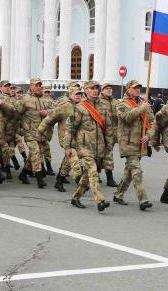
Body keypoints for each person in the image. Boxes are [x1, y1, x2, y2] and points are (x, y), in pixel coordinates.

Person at [65, 80, 113, 211]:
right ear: (86, 91)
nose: (95, 90)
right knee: (93, 172)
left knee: (87, 175)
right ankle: (100, 200)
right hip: (84, 147)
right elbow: (70, 128)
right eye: (92, 88)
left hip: (99, 147)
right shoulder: (80, 108)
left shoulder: (103, 107)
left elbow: (108, 128)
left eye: (97, 88)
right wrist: (67, 147)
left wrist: (109, 145)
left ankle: (75, 198)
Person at [114, 80, 156, 210]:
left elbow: (153, 122)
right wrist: (141, 108)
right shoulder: (122, 104)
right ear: (128, 90)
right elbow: (126, 117)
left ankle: (118, 194)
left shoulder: (144, 104)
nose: (138, 90)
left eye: (139, 88)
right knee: (137, 171)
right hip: (127, 143)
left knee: (129, 171)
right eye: (135, 88)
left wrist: (148, 135)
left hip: (140, 143)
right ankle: (143, 200)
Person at [38, 83, 81, 192]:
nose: (78, 96)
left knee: (68, 159)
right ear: (70, 95)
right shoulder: (65, 106)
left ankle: (59, 180)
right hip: (66, 137)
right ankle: (80, 183)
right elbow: (50, 118)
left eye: (80, 94)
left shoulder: (81, 106)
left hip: (78, 138)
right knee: (73, 158)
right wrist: (40, 130)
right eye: (76, 94)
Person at [16, 78, 54, 188]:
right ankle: (39, 177)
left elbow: (55, 110)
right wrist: (21, 127)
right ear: (31, 86)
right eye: (36, 85)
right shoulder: (25, 99)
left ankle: (23, 174)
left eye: (40, 85)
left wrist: (47, 112)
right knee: (36, 151)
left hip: (41, 132)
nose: (39, 87)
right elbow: (17, 113)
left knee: (34, 154)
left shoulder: (45, 99)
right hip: (29, 132)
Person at [98, 82, 119, 186]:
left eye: (110, 88)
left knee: (108, 155)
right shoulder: (98, 102)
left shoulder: (115, 102)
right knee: (99, 155)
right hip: (101, 133)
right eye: (106, 88)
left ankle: (107, 178)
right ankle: (99, 175)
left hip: (112, 134)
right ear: (102, 91)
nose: (109, 90)